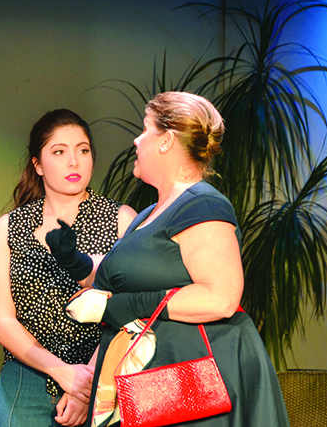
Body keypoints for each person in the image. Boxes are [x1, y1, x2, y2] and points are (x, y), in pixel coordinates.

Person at [64, 91, 290, 426]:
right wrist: (75, 261)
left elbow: (221, 297)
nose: (136, 140)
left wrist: (130, 306)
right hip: (152, 384)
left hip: (191, 384)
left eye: (145, 129)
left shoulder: (203, 205)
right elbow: (126, 277)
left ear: (166, 141)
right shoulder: (148, 215)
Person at [0, 109, 137, 427]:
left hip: (103, 376)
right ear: (38, 164)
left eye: (83, 150)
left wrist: (87, 384)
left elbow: (132, 309)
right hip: (27, 378)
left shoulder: (121, 220)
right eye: (59, 152)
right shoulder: (10, 227)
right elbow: (1, 320)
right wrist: (60, 371)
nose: (73, 162)